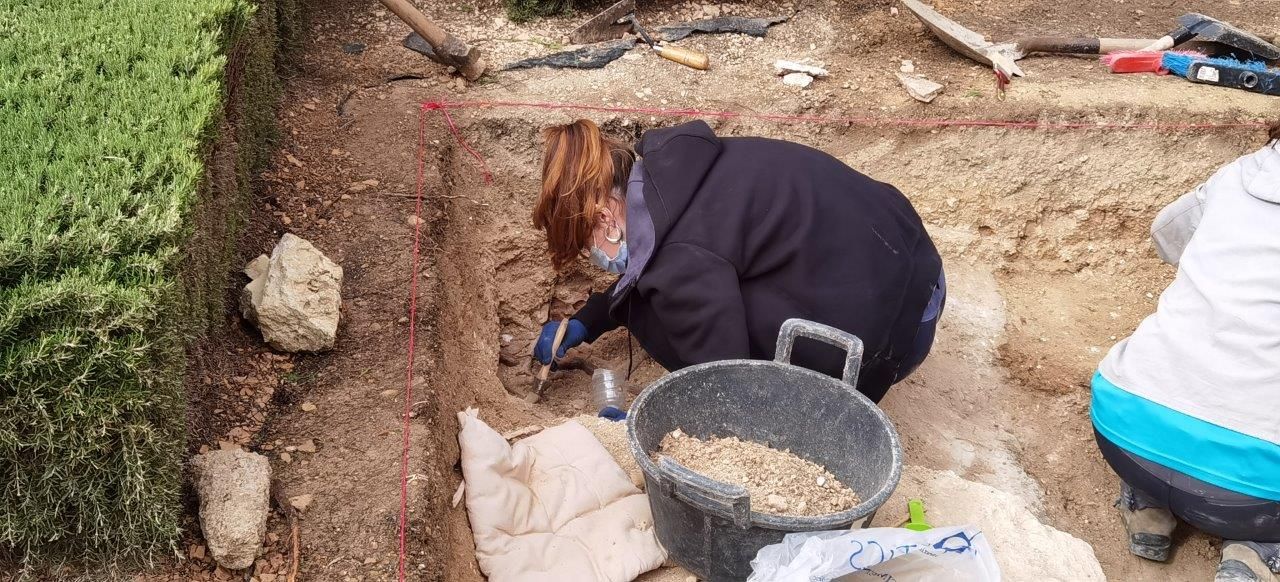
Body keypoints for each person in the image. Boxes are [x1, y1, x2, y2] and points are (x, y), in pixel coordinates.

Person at [530, 119, 944, 402]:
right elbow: (661, 257)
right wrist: (591, 318)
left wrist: (648, 423)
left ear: (606, 219)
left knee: (669, 321)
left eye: (588, 245)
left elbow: (728, 384)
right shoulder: (673, 171)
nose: (595, 257)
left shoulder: (683, 261)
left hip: (901, 328)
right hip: (913, 256)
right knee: (689, 293)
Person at [1091, 121, 1280, 582]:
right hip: (1256, 491)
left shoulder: (1240, 174)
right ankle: (1257, 547)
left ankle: (1148, 504)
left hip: (1125, 431)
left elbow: (1166, 235)